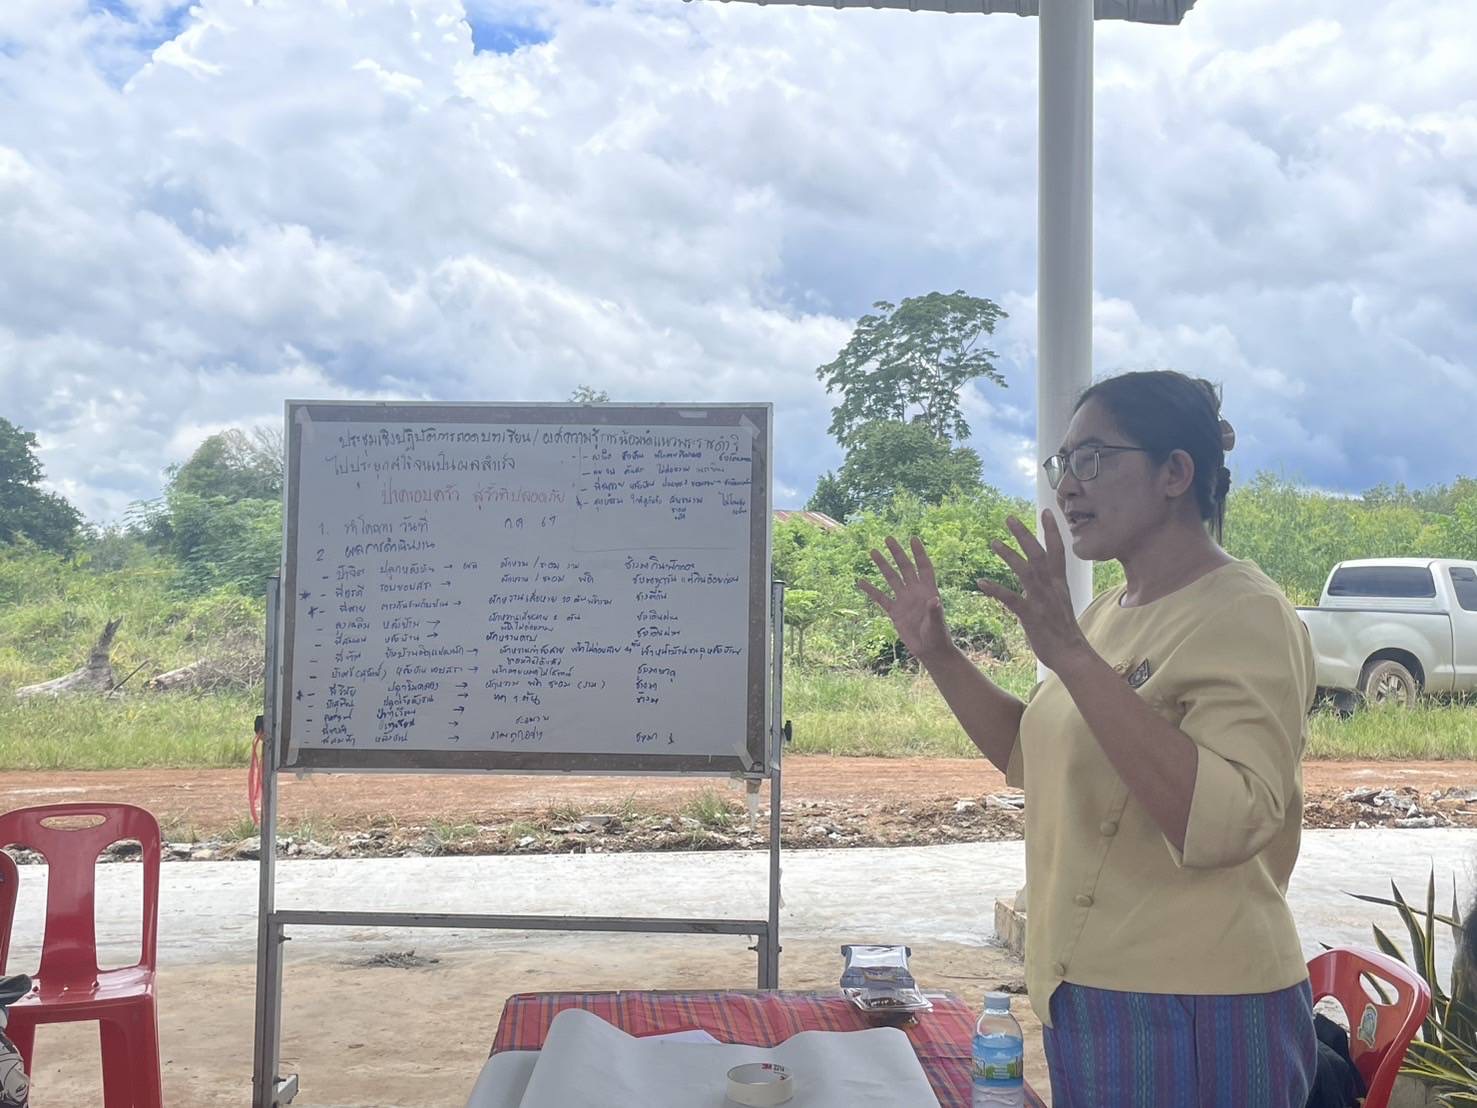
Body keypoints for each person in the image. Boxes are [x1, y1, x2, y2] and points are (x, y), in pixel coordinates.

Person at [858, 370, 1317, 1107]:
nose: (1068, 485)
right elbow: (1028, 752)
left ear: (1175, 473)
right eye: (1062, 463)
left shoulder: (1245, 614)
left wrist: (1069, 654)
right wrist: (937, 653)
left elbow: (1226, 822)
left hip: (1196, 1006)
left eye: (1094, 457)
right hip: (1090, 993)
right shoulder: (1109, 612)